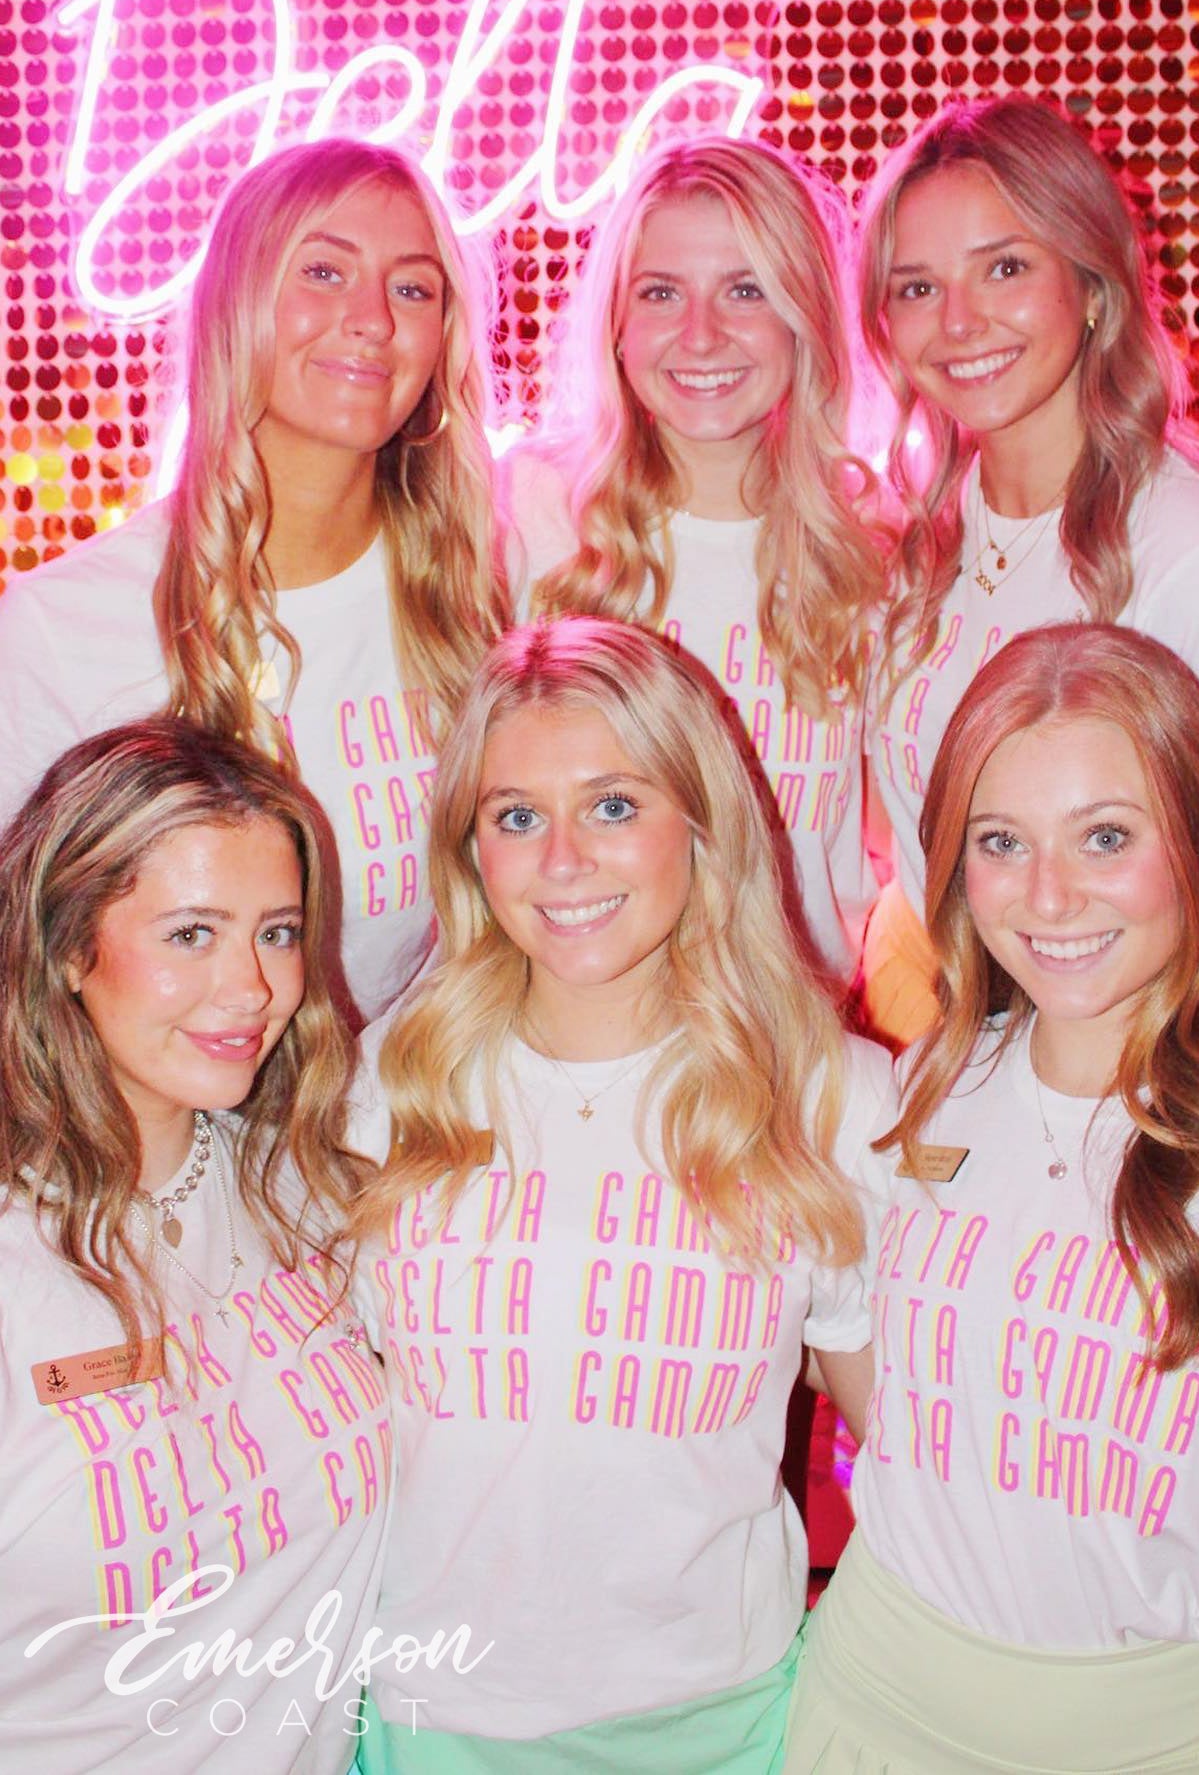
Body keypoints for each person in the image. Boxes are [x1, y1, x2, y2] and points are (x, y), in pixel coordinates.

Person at [346, 616, 894, 1771]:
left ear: (698, 820)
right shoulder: (390, 1081)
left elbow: (912, 1458)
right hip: (432, 1717)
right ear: (469, 849)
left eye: (610, 804)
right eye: (514, 815)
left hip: (723, 1725)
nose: (561, 860)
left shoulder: (828, 1095)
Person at [787, 623, 1199, 1772]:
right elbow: (898, 1402)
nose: (1048, 896)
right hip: (868, 1700)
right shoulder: (929, 1083)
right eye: (1000, 841)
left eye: (1103, 835)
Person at [0, 138, 506, 1025]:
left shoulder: (488, 599)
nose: (372, 320)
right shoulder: (59, 628)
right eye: (323, 271)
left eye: (413, 289)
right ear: (234, 301)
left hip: (411, 1106)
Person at [0, 718, 391, 1773]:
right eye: (190, 934)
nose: (252, 987)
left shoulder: (311, 1189)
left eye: (277, 931)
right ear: (68, 944)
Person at [503, 137, 888, 983]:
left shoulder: (872, 547)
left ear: (803, 317)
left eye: (745, 290)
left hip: (797, 1035)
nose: (701, 335)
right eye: (660, 292)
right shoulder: (529, 518)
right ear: (616, 326)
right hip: (576, 1024)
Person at [858, 93, 1199, 1048]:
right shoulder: (912, 546)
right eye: (916, 287)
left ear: (1090, 284)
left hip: (1130, 1060)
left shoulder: (1174, 547)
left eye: (1003, 268)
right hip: (949, 1050)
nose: (958, 322)